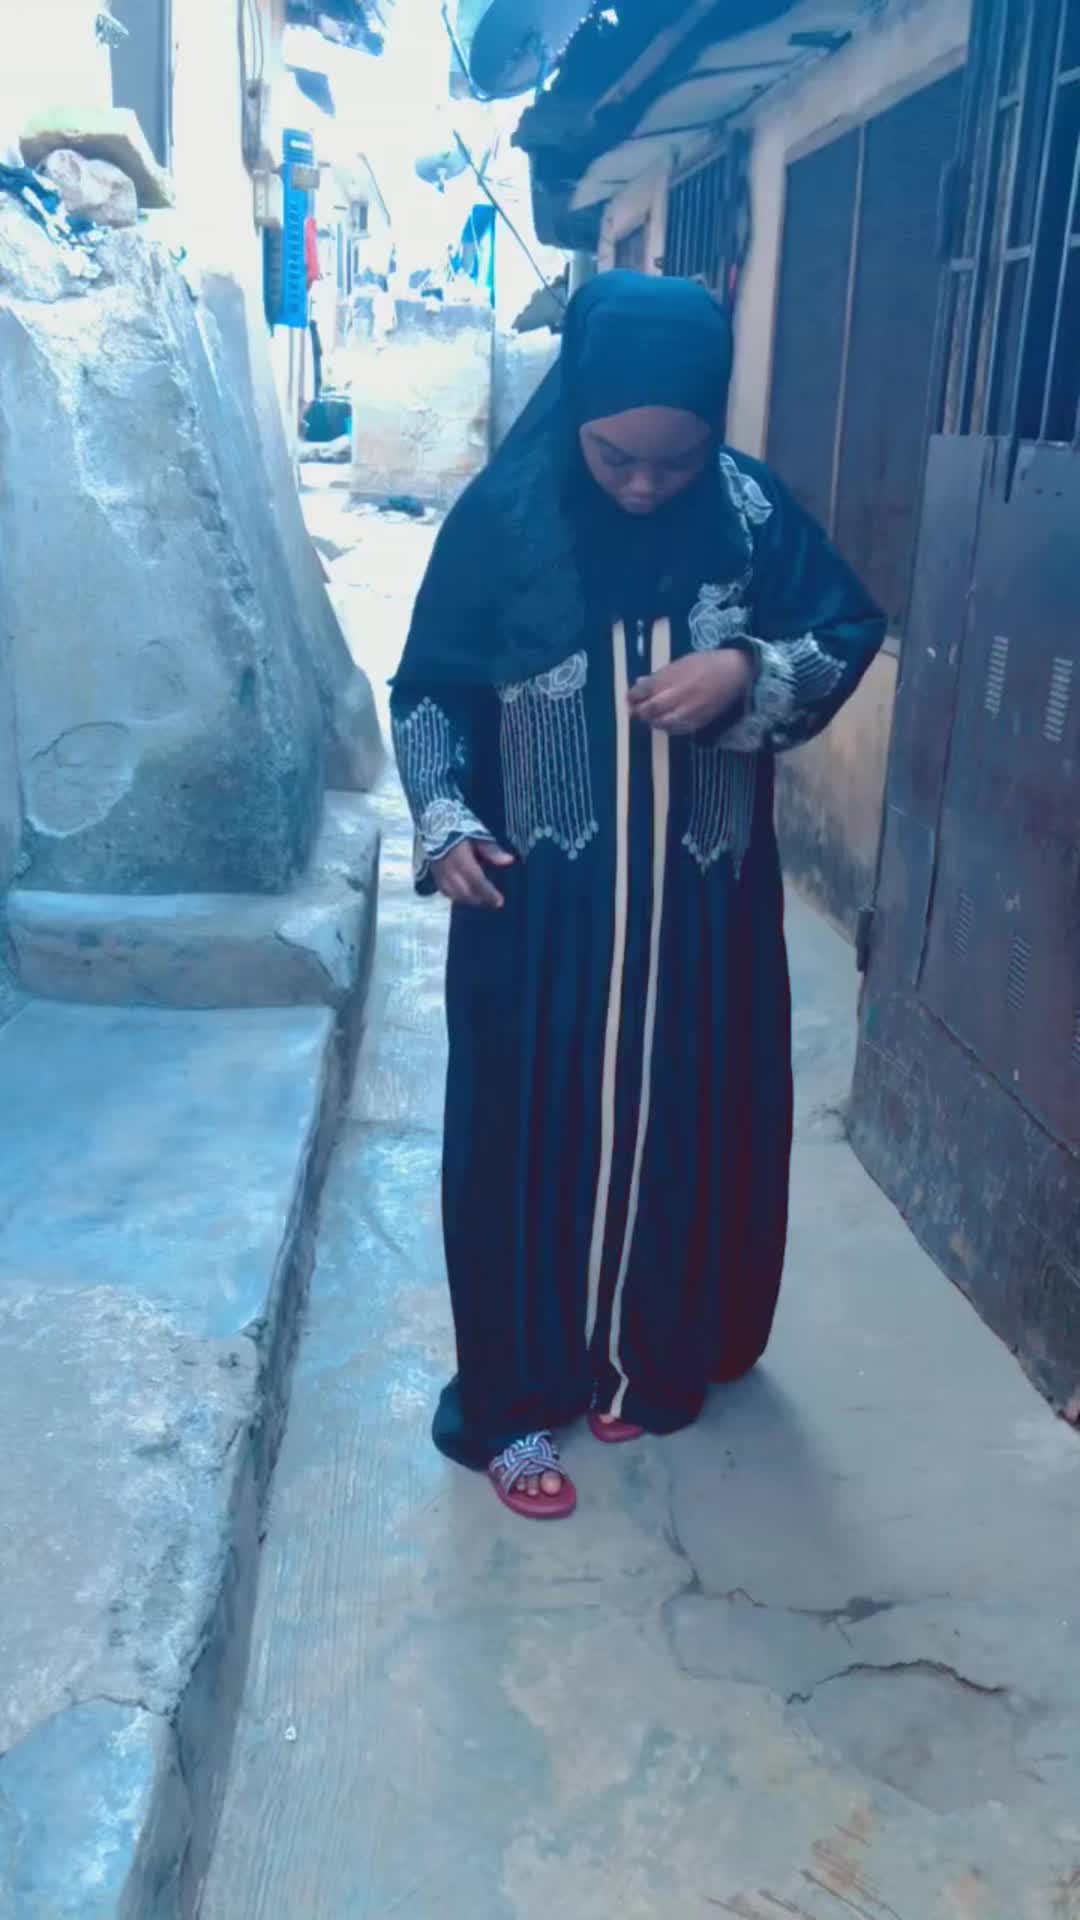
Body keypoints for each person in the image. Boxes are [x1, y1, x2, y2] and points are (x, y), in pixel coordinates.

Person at [390, 272, 884, 1521]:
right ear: (575, 417)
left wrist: (745, 668)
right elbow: (431, 689)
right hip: (534, 920)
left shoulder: (750, 515)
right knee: (521, 1144)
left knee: (681, 1124)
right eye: (615, 458)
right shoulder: (503, 520)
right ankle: (512, 1403)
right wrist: (444, 820)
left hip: (697, 912)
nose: (647, 487)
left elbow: (844, 628)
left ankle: (647, 1358)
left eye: (677, 460)